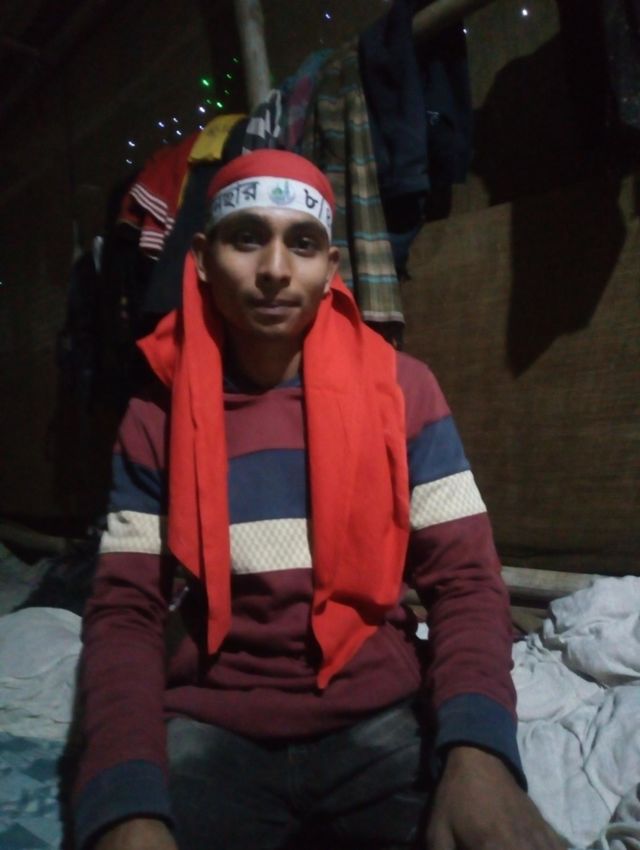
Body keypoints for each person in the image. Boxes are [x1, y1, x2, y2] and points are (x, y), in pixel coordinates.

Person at [72, 149, 564, 850]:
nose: (275, 269)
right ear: (203, 259)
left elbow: (464, 582)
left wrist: (479, 753)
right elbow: (125, 613)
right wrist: (125, 803)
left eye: (301, 244)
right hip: (215, 723)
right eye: (248, 238)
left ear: (330, 267)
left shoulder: (403, 392)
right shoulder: (157, 413)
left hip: (378, 711)